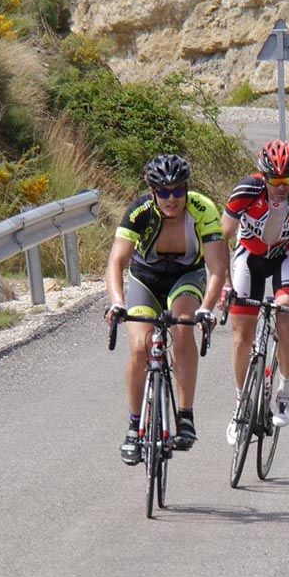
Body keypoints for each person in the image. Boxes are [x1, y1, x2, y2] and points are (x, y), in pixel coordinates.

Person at [105, 154, 228, 465]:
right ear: (152, 190)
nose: (172, 199)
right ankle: (134, 428)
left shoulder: (203, 210)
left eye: (178, 190)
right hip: (145, 278)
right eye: (164, 192)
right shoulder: (140, 211)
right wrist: (117, 301)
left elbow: (217, 268)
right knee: (139, 348)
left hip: (186, 277)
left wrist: (208, 307)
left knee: (184, 324)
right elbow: (116, 261)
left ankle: (185, 416)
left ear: (187, 189)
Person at [220, 139, 289, 443]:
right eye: (274, 180)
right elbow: (220, 238)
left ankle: (286, 391)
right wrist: (225, 285)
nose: (281, 187)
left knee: (287, 317)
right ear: (262, 175)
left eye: (287, 180)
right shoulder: (246, 191)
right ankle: (241, 405)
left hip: (286, 257)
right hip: (249, 257)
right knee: (241, 334)